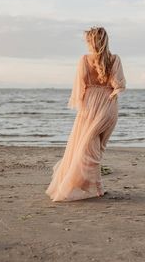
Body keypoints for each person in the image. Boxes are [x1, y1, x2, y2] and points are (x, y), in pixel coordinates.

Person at [45, 26, 126, 202]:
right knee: (95, 148)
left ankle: (89, 186)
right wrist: (108, 96)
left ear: (92, 41)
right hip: (109, 105)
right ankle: (95, 187)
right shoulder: (114, 59)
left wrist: (83, 108)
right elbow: (118, 85)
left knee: (87, 147)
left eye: (87, 40)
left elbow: (80, 89)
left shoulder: (84, 60)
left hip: (90, 106)